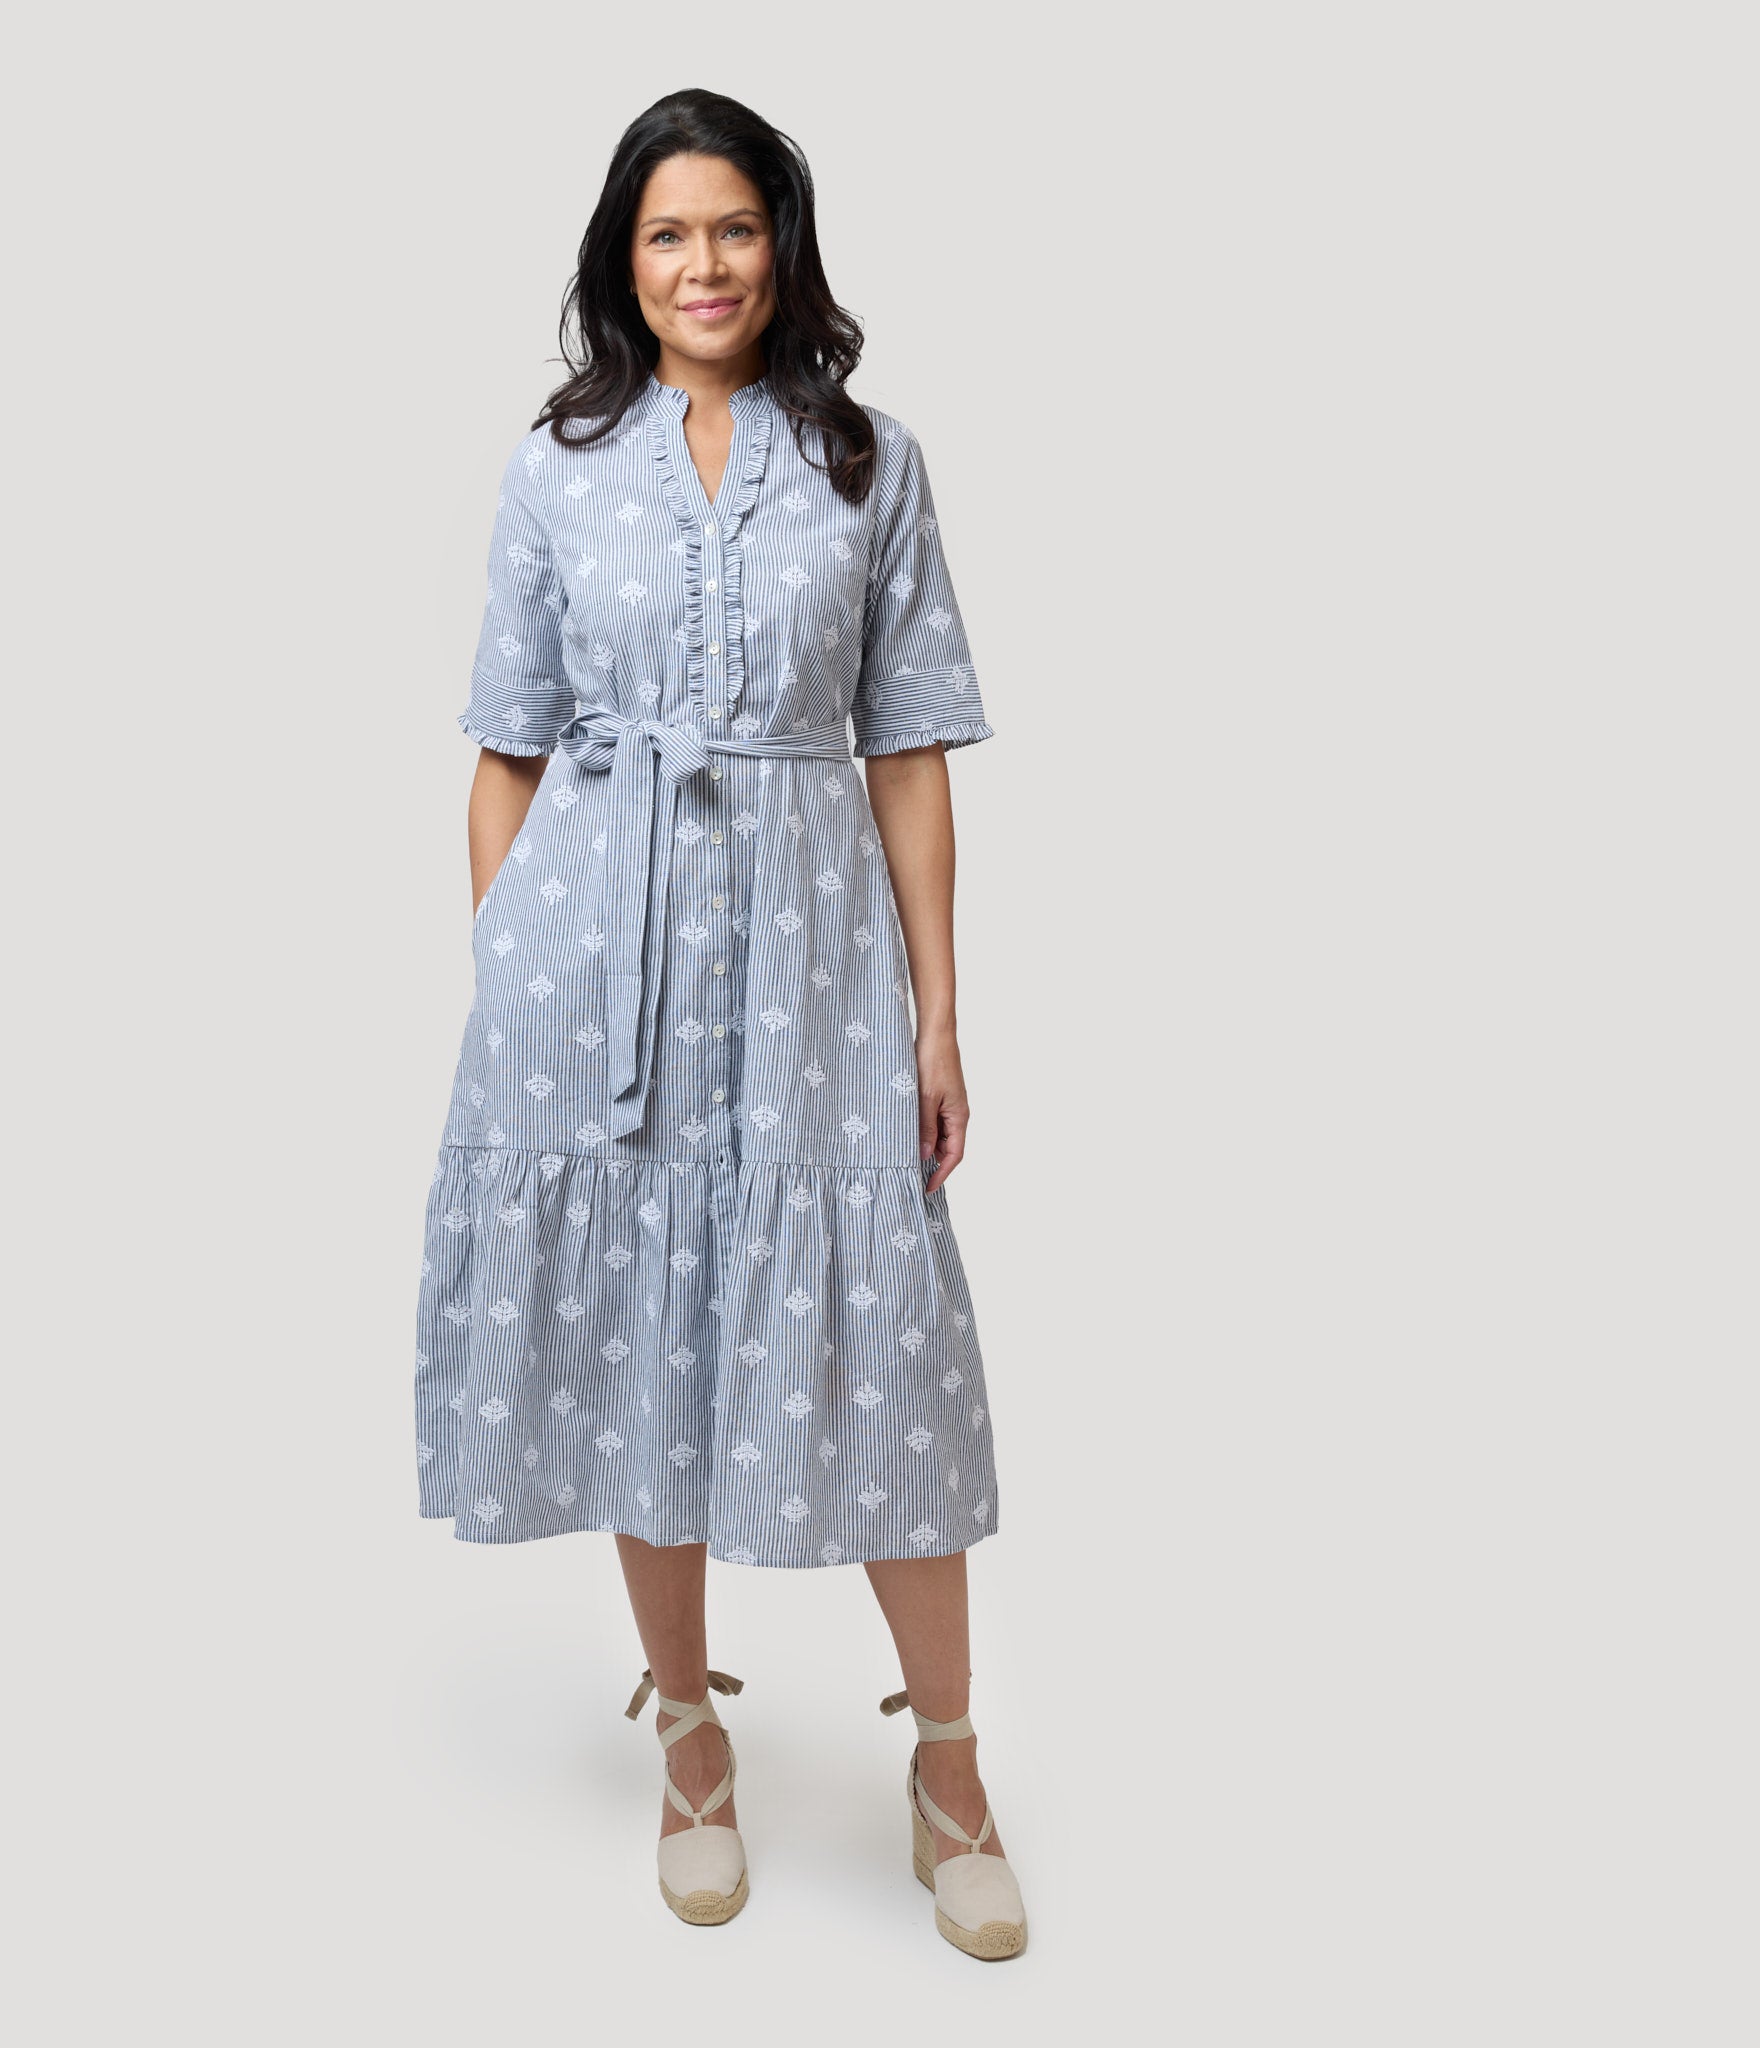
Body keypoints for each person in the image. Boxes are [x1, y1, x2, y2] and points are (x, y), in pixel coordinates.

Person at [412, 87, 1025, 1961]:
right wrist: (516, 971)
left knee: (881, 1330)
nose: (703, 266)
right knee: (637, 1336)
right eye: (667, 234)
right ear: (625, 259)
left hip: (817, 965)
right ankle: (688, 1735)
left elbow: (907, 749)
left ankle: (949, 1766)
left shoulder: (869, 462)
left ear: (783, 245)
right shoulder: (555, 468)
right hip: (597, 973)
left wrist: (937, 1012)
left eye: (734, 229)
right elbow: (506, 749)